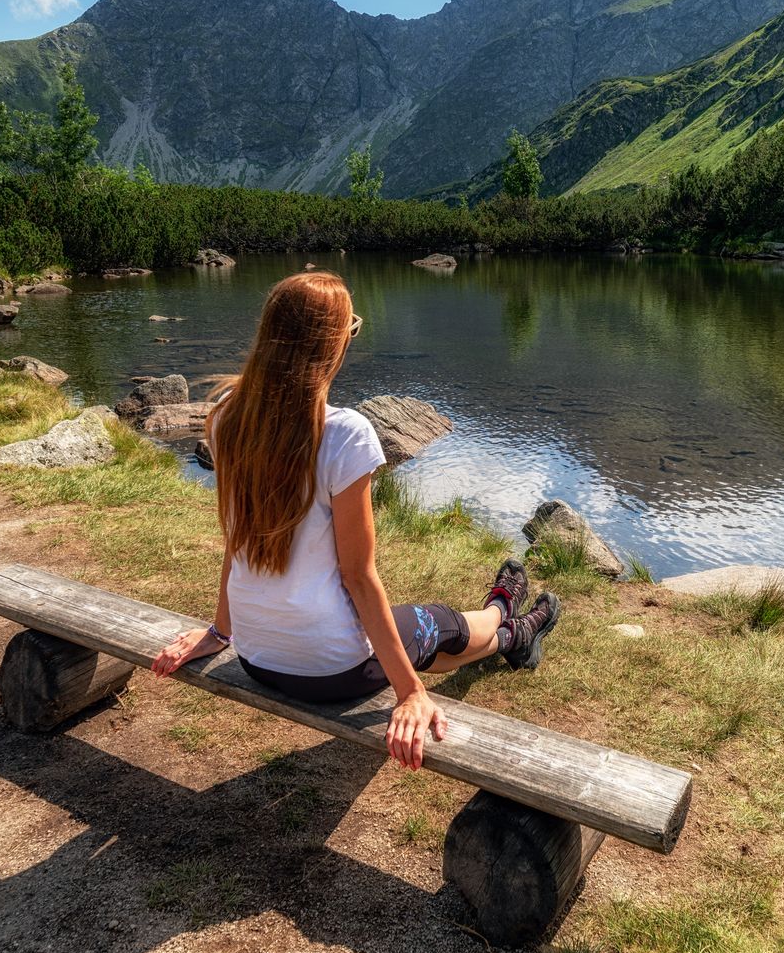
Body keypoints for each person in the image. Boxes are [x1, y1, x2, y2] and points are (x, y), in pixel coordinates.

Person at [149, 271, 560, 770]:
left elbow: (239, 541)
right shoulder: (345, 434)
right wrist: (410, 692)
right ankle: (505, 619)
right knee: (439, 624)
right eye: (351, 330)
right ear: (331, 344)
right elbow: (358, 577)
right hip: (333, 670)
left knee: (418, 641)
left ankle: (512, 634)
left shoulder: (227, 416)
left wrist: (220, 631)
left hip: (259, 660)